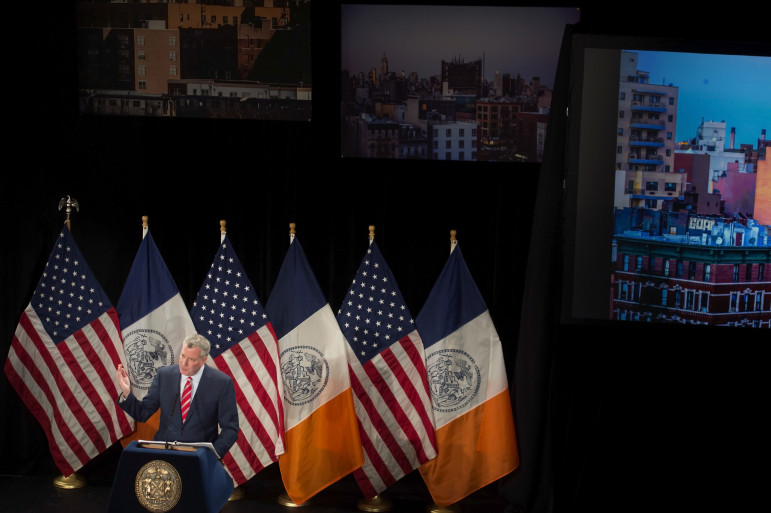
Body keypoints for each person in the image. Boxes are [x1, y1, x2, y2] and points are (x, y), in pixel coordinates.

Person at [116, 333, 239, 459]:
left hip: (199, 458)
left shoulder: (221, 383)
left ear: (203, 360)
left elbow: (230, 429)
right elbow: (143, 413)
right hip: (163, 454)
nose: (183, 363)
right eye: (182, 356)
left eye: (191, 359)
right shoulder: (164, 375)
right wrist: (127, 393)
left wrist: (213, 456)